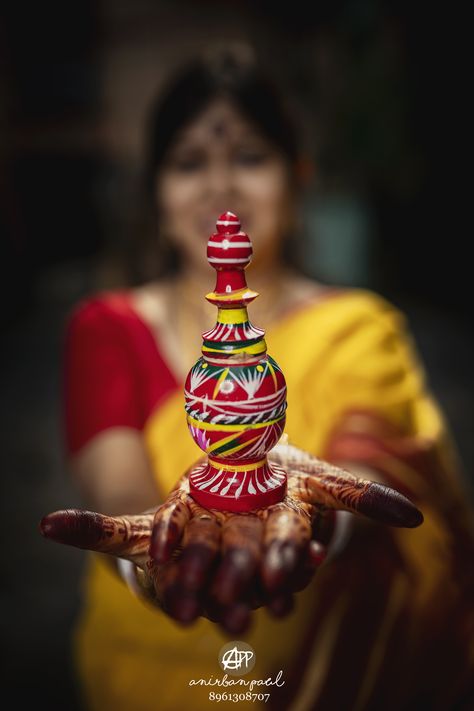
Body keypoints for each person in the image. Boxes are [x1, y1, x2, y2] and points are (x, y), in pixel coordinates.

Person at [46, 45, 473, 710]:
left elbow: (375, 457)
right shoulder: (107, 326)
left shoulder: (357, 325)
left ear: (297, 177)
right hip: (144, 678)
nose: (220, 186)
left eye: (249, 156)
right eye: (189, 163)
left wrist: (322, 523)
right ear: (158, 191)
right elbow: (121, 490)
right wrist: (162, 551)